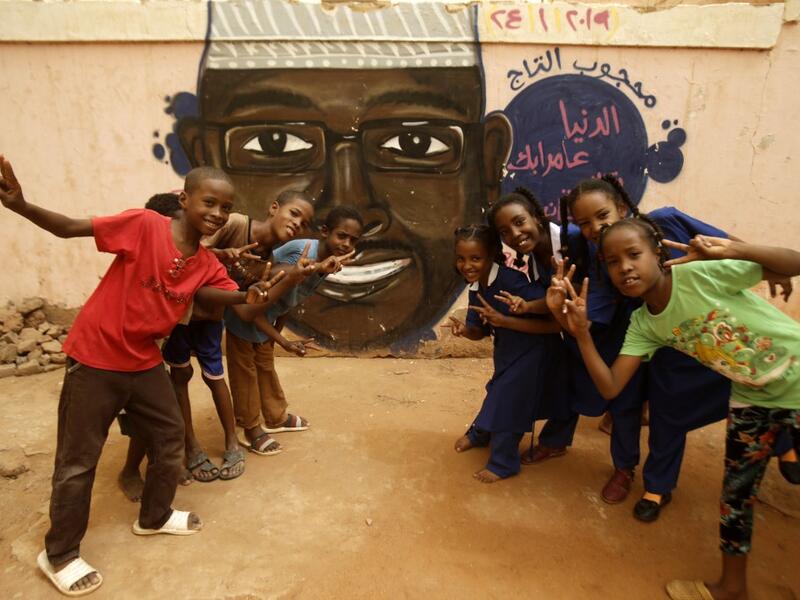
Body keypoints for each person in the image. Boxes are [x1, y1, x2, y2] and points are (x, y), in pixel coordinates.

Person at [0, 155, 283, 596]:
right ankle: (59, 554)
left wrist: (270, 286)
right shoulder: (145, 225)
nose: (218, 214)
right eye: (210, 202)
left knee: (169, 438)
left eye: (226, 208)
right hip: (95, 358)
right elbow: (68, 227)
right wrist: (20, 205)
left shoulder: (206, 263)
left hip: (143, 361)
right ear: (185, 199)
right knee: (78, 461)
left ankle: (153, 516)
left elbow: (241, 303)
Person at [175, 1, 512, 351]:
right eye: (274, 143)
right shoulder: (278, 252)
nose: (354, 207)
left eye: (416, 143)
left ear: (487, 162)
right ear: (203, 154)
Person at [558, 221, 800, 600]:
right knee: (735, 498)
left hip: (798, 375)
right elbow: (610, 385)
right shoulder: (643, 324)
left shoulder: (698, 274)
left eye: (634, 254)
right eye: (612, 261)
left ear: (658, 253)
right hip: (753, 398)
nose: (624, 267)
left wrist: (733, 249)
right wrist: (582, 334)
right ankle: (732, 588)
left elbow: (794, 262)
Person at [226, 206, 363, 453]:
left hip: (267, 321)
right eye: (341, 236)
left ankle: (275, 417)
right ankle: (250, 428)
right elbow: (252, 302)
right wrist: (283, 340)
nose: (346, 244)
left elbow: (292, 297)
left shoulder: (327, 262)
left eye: (353, 240)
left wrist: (277, 334)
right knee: (245, 374)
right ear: (325, 231)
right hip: (247, 319)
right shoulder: (300, 254)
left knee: (265, 366)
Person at [201, 189, 316, 455]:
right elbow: (191, 250)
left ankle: (270, 418)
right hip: (191, 306)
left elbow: (251, 300)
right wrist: (222, 253)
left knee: (255, 362)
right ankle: (248, 427)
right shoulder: (237, 224)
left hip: (219, 311)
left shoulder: (273, 255)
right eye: (294, 213)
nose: (297, 224)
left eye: (304, 223)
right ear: (274, 208)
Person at [447, 224, 563, 483]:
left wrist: (507, 319)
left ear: (491, 256)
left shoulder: (512, 281)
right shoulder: (477, 286)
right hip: (508, 353)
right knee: (498, 392)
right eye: (461, 258)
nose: (467, 265)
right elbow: (480, 331)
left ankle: (503, 463)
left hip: (534, 352)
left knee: (509, 403)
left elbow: (554, 320)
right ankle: (481, 434)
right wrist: (465, 330)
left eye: (475, 258)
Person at [485, 188, 574, 462]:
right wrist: (527, 307)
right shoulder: (535, 261)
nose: (515, 234)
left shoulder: (574, 242)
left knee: (582, 384)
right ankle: (554, 440)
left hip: (600, 319)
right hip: (574, 324)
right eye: (504, 233)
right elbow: (551, 302)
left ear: (537, 217)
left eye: (519, 222)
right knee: (567, 377)